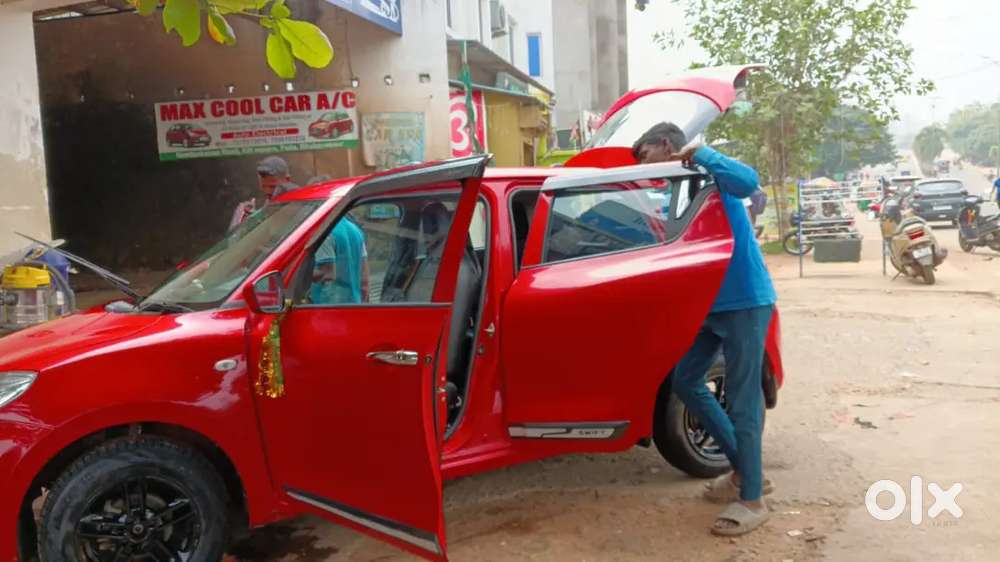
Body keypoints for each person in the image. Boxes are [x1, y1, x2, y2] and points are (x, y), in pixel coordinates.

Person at [633, 122, 777, 537]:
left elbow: (749, 182)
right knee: (687, 380)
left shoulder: (711, 171)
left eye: (645, 155)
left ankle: (752, 499)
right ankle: (746, 471)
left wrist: (700, 153)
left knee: (744, 400)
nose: (645, 165)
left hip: (745, 300)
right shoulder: (676, 188)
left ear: (664, 146)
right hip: (709, 305)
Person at [307, 175, 370, 304]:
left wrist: (301, 276)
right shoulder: (355, 229)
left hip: (328, 308)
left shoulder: (323, 233)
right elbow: (364, 279)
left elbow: (327, 274)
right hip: (353, 304)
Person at [229, 156, 299, 230]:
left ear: (287, 180)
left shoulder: (300, 204)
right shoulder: (256, 206)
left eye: (272, 186)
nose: (267, 191)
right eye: (263, 186)